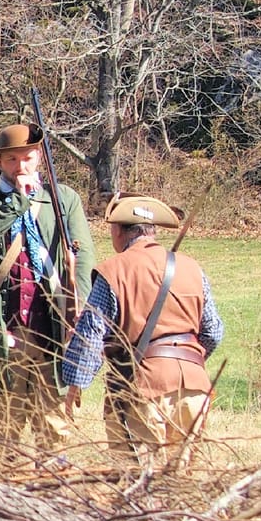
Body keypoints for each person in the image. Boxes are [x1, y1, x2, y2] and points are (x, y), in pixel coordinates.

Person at [0, 123, 97, 454]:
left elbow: (83, 258)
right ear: (0, 162)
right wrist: (16, 203)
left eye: (27, 157)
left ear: (39, 156)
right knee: (5, 426)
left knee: (53, 427)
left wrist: (78, 310)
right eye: (11, 159)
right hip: (4, 330)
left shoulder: (63, 199)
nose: (20, 166)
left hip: (51, 327)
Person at [59, 195, 223, 465]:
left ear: (118, 231)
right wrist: (186, 360)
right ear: (152, 231)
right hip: (195, 388)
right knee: (181, 485)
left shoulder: (113, 271)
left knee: (140, 485)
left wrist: (75, 385)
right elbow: (213, 332)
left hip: (143, 387)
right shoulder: (192, 267)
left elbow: (90, 334)